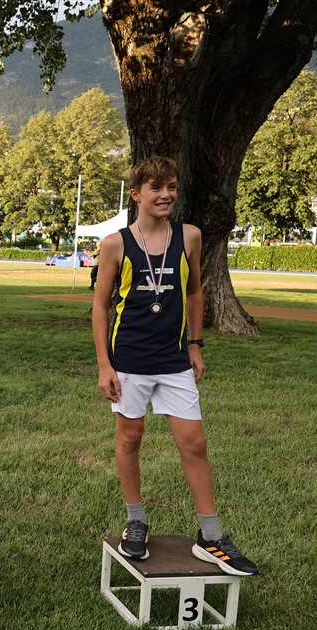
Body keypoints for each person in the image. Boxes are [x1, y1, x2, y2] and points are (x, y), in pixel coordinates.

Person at [91, 156, 258, 576]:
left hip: (174, 359)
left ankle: (211, 536)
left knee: (194, 443)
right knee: (130, 439)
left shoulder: (189, 236)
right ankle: (136, 521)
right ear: (136, 194)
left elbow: (195, 292)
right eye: (156, 188)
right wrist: (104, 365)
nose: (165, 195)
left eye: (171, 187)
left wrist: (195, 345)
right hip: (129, 360)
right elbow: (100, 306)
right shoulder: (115, 244)